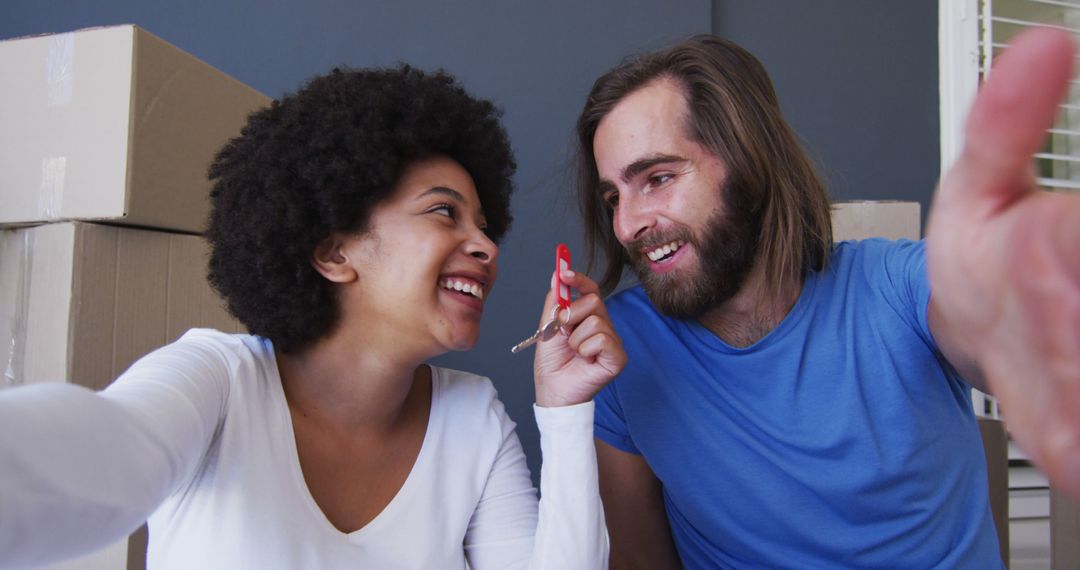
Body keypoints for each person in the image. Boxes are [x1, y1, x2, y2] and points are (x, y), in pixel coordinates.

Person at [0, 65, 624, 569]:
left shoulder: (474, 419)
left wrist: (565, 411)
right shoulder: (218, 381)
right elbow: (107, 453)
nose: (486, 247)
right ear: (333, 252)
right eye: (443, 213)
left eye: (484, 227)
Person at [575, 27, 1080, 568]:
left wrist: (1012, 310)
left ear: (748, 163)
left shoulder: (899, 286)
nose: (627, 225)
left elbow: (981, 320)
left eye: (658, 177)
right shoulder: (617, 353)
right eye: (613, 197)